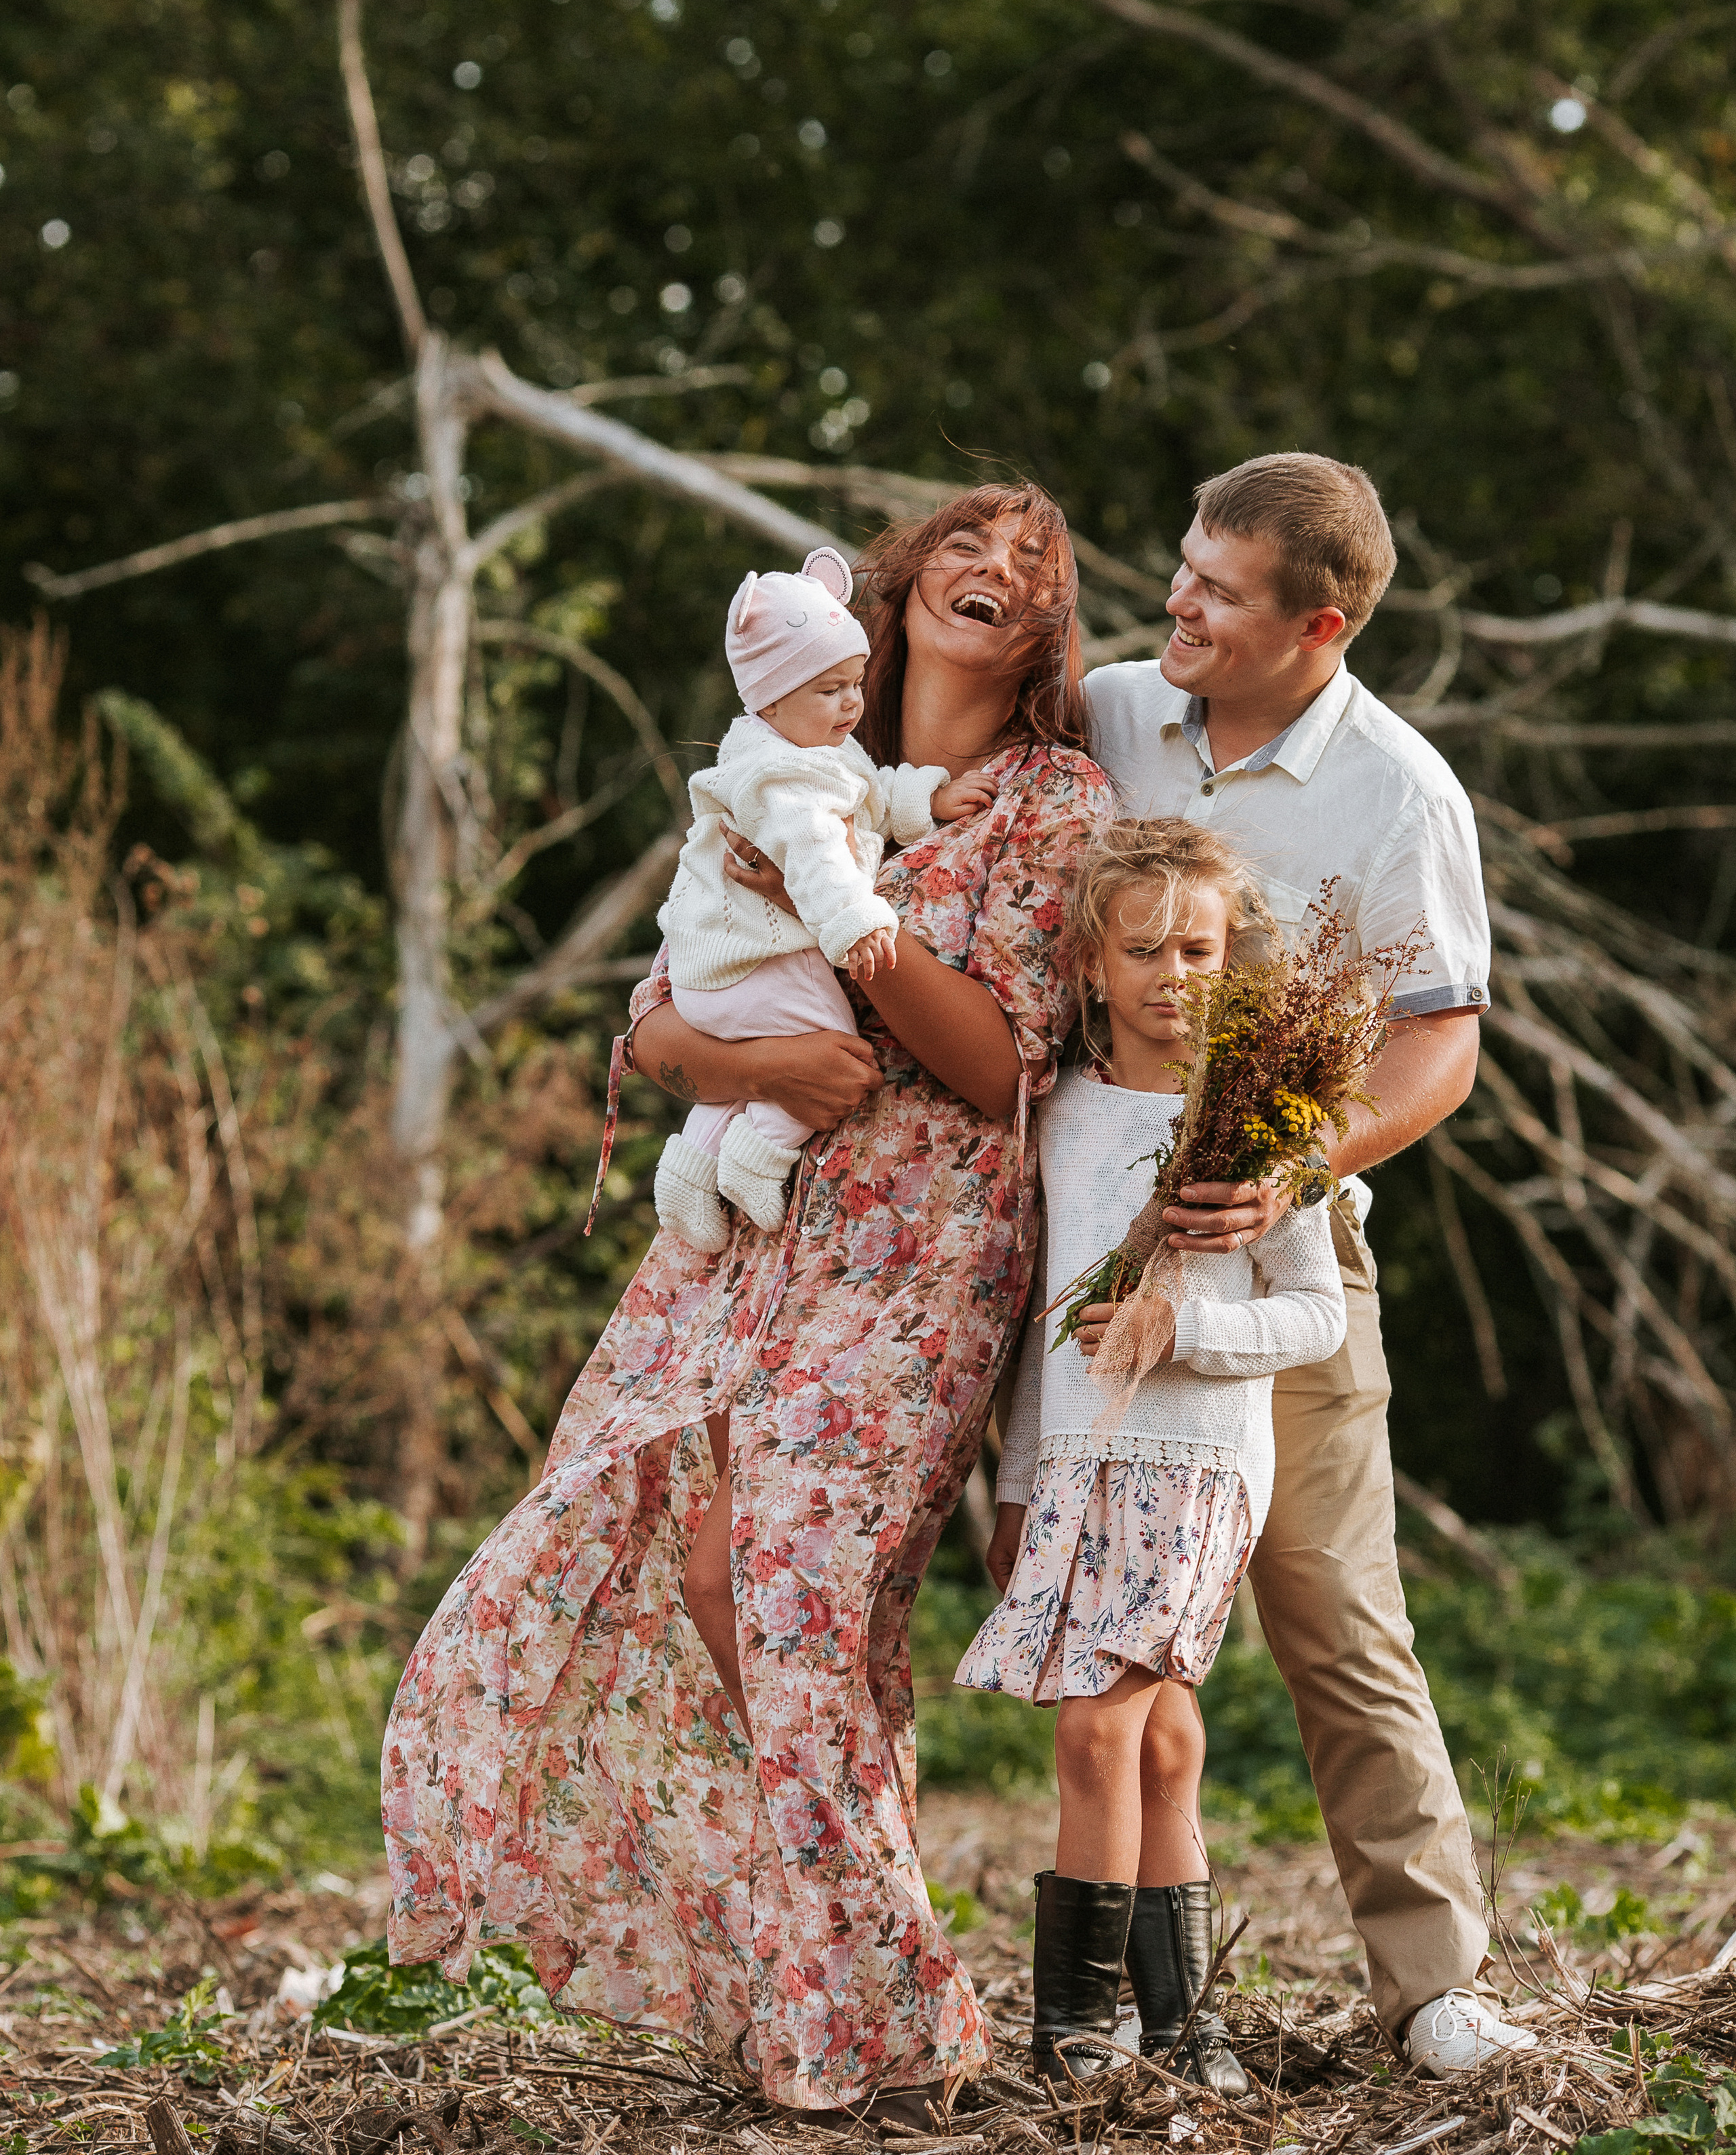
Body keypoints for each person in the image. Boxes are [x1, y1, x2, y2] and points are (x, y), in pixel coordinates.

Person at [380, 484, 1112, 2124]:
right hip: (745, 1227)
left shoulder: (1053, 804)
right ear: (898, 583)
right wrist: (747, 1056)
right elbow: (660, 1004)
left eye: (1032, 565)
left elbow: (1001, 1064)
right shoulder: (775, 748)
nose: (994, 569)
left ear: (1045, 627)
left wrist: (849, 932)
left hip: (915, 1259)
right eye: (968, 545)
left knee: (783, 1593)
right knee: (663, 1551)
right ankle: (817, 1986)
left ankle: (878, 1993)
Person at [1081, 452, 1535, 2077]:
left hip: (1281, 1253)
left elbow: (1439, 1043)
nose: (1172, 604)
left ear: (1315, 622)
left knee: (1335, 1613)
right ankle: (1087, 2004)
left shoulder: (1397, 790)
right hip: (1066, 1240)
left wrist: (1287, 1160)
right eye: (1180, 566)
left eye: (1212, 589)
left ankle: (1429, 1983)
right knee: (1086, 1633)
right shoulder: (1111, 709)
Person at [958, 818, 1345, 2096]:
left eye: (1200, 947)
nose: (1175, 973)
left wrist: (1187, 1327)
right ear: (1089, 966)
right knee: (1162, 1741)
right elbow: (1035, 1320)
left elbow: (1316, 1314)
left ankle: (1072, 2026)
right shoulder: (1056, 1116)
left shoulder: (1261, 1126)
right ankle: (1185, 2033)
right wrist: (1016, 1482)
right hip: (1070, 1460)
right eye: (1146, 949)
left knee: (1092, 1738)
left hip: (1193, 1465)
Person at [652, 543, 990, 1251]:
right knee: (835, 1048)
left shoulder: (804, 747)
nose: (850, 704)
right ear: (768, 696)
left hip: (727, 974)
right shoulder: (781, 775)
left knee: (778, 1061)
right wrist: (854, 921)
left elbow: (863, 792)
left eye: (855, 682)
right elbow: (814, 850)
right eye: (828, 689)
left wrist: (928, 795)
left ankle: (689, 1168)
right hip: (757, 965)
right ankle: (758, 1155)